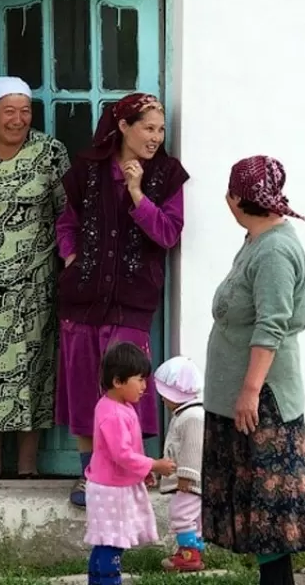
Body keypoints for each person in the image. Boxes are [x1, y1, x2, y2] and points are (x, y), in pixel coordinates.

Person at [201, 155, 305, 585]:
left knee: (268, 509)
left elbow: (271, 324)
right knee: (257, 509)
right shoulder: (257, 240)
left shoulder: (275, 250)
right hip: (246, 399)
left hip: (263, 402)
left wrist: (250, 390)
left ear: (237, 198)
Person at [56, 93, 190, 507]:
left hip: (131, 299)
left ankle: (125, 470)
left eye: (161, 129)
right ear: (124, 128)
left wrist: (137, 193)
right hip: (83, 297)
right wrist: (72, 256)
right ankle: (89, 474)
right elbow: (67, 221)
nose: (156, 137)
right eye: (148, 128)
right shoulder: (88, 170)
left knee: (127, 384)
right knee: (83, 385)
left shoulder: (166, 175)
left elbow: (168, 233)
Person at [0, 76, 69, 478]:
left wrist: (68, 263)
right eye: (9, 111)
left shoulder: (50, 152)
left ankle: (27, 466)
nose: (18, 119)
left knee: (34, 369)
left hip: (35, 282)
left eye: (25, 111)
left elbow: (66, 215)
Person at [83, 341, 177, 585]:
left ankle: (98, 581)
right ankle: (107, 581)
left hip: (115, 487)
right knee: (112, 542)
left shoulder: (118, 407)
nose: (145, 387)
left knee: (107, 540)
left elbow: (128, 450)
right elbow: (122, 454)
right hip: (110, 491)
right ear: (118, 381)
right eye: (140, 379)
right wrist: (154, 465)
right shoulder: (113, 413)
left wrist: (142, 472)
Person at [151, 355, 206, 573]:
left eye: (165, 395)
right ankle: (192, 552)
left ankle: (188, 555)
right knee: (192, 517)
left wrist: (186, 476)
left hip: (189, 482)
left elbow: (193, 449)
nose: (163, 400)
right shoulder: (185, 414)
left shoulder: (192, 416)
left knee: (181, 514)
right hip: (187, 481)